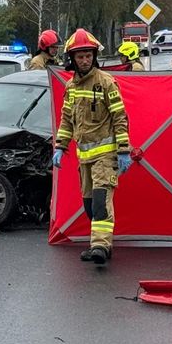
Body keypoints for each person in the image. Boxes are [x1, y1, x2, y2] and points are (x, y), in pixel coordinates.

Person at [53, 29, 131, 266]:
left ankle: (100, 246)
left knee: (100, 201)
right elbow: (67, 119)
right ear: (72, 59)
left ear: (94, 56)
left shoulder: (106, 82)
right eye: (80, 56)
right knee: (89, 205)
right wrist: (60, 146)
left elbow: (120, 117)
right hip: (83, 158)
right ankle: (96, 243)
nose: (85, 60)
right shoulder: (71, 86)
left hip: (106, 156)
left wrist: (124, 150)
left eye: (88, 55)